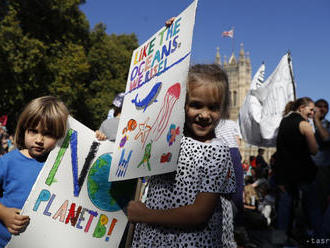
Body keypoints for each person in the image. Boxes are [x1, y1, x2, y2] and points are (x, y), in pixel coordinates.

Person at [127, 64, 236, 247]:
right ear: (182, 104)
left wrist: (146, 215)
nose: (204, 114)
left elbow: (200, 213)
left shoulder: (217, 151)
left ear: (223, 110)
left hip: (188, 240)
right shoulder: (168, 140)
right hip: (156, 237)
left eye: (213, 107)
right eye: (196, 105)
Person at [0, 96, 105, 247]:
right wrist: (3, 214)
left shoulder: (66, 164)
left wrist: (96, 140)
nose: (39, 139)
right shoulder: (7, 162)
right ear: (24, 129)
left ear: (60, 135)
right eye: (33, 131)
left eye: (48, 134)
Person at [275, 97, 318, 240]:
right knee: (311, 207)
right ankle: (317, 239)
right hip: (304, 173)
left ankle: (280, 240)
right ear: (301, 108)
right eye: (311, 109)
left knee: (284, 209)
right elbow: (314, 150)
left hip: (285, 174)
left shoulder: (283, 122)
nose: (313, 113)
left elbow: (280, 152)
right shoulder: (305, 124)